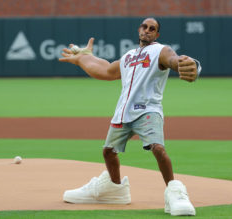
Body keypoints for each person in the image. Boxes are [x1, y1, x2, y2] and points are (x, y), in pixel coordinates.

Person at [59, 17, 201, 216]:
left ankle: (174, 191)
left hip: (148, 110)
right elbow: (105, 69)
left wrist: (187, 64)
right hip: (123, 112)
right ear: (139, 30)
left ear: (157, 34)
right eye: (144, 26)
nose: (147, 30)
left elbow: (174, 60)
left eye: (152, 28)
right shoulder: (128, 56)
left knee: (158, 148)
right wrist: (83, 58)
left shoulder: (160, 50)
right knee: (108, 151)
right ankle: (115, 189)